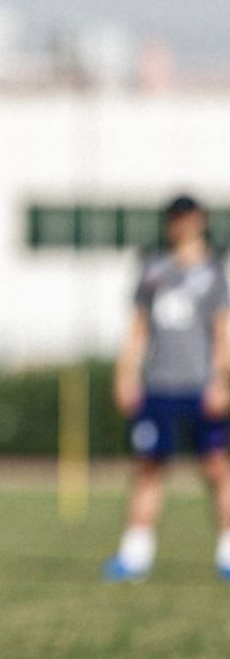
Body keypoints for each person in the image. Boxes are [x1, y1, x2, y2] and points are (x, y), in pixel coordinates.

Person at [104, 194, 230, 582]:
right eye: (174, 218)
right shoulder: (153, 269)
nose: (181, 224)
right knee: (147, 467)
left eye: (187, 217)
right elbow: (138, 329)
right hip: (158, 386)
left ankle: (227, 553)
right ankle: (135, 554)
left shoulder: (214, 272)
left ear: (201, 220)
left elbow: (222, 331)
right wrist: (126, 375)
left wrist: (222, 381)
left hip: (200, 386)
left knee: (216, 468)